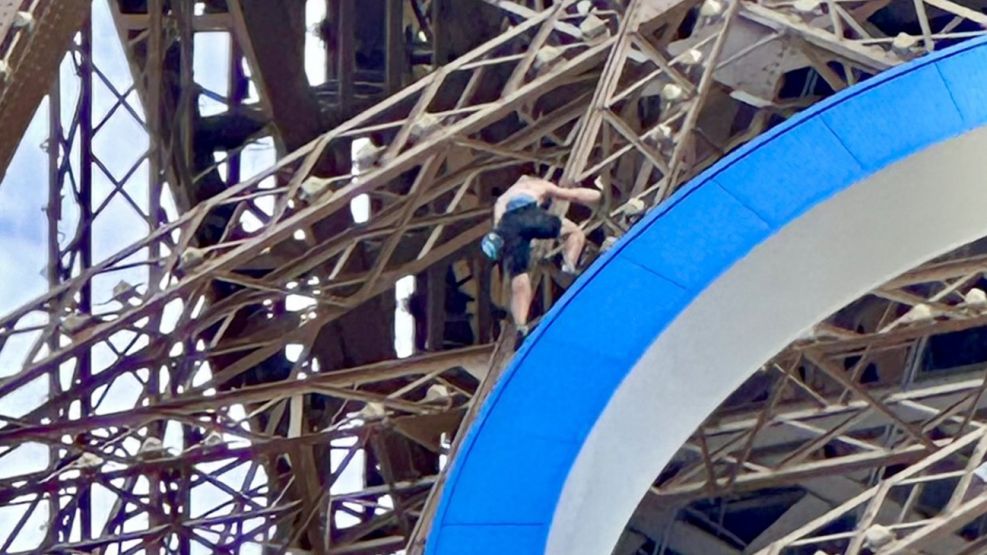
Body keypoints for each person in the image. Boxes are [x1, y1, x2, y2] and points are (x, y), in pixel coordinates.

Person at [481, 174, 601, 343]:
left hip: (508, 225)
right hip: (530, 214)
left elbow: (498, 224)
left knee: (520, 279)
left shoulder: (504, 197)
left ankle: (521, 327)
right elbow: (574, 195)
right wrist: (599, 196)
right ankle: (568, 266)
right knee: (574, 232)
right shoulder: (538, 185)